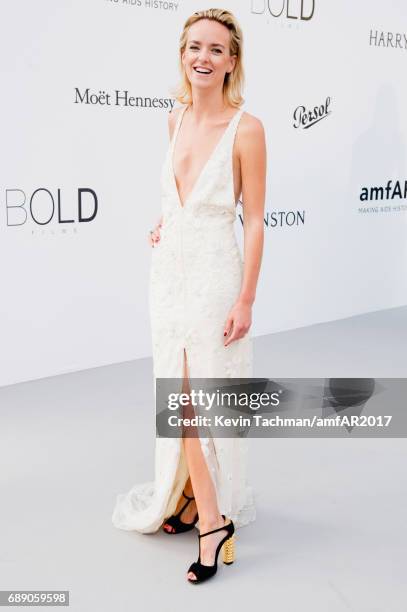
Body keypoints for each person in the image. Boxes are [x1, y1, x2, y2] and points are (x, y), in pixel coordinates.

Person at [112, 8, 266, 584]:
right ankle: (190, 498)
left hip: (214, 279)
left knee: (197, 401)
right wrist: (162, 223)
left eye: (216, 50)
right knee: (176, 396)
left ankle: (213, 522)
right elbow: (181, 198)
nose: (204, 57)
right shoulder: (171, 119)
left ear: (232, 62)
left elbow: (253, 221)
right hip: (168, 277)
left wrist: (246, 298)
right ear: (183, 54)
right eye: (194, 47)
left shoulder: (247, 128)